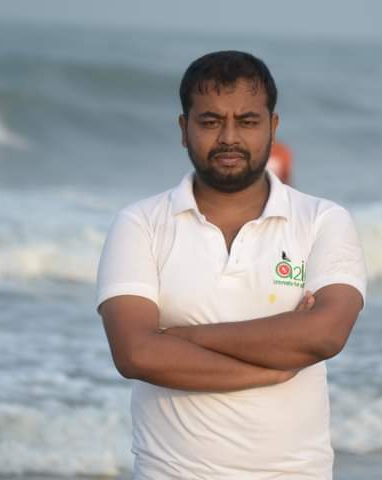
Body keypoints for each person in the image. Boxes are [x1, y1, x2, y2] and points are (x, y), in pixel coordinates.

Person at [96, 50, 367, 480]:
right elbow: (135, 353)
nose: (228, 137)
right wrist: (274, 366)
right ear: (183, 129)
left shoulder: (322, 220)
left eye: (247, 121)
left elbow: (326, 334)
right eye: (210, 121)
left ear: (272, 127)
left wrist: (180, 337)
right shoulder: (140, 224)